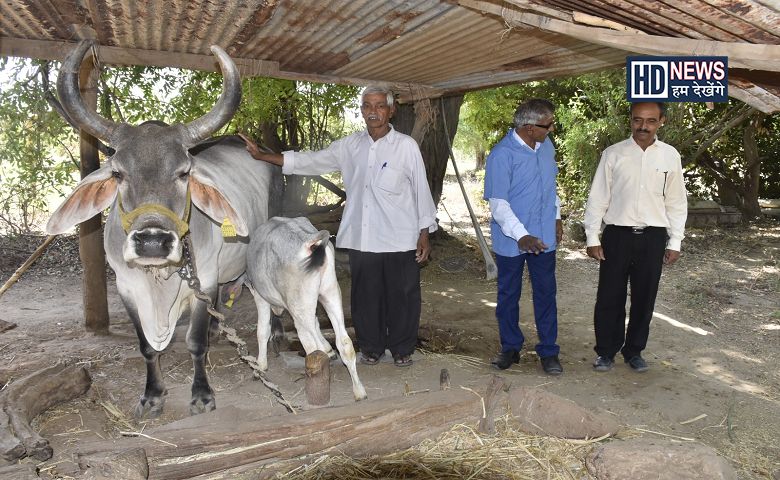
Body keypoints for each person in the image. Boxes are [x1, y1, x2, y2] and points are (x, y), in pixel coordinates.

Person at [240, 86, 438, 368]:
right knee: (365, 298)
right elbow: (310, 160)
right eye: (367, 106)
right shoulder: (349, 146)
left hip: (399, 238)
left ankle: (402, 349)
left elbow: (421, 190)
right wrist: (264, 156)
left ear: (391, 110)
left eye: (380, 106)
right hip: (362, 237)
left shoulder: (406, 146)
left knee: (402, 296)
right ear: (361, 110)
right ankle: (370, 348)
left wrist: (424, 234)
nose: (373, 111)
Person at [583, 101, 688, 373]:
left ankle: (634, 351)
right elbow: (598, 198)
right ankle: (605, 351)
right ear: (630, 120)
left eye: (651, 121)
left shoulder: (670, 156)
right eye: (638, 120)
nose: (643, 126)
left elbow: (676, 202)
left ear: (661, 121)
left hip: (653, 237)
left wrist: (675, 241)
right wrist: (593, 237)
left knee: (645, 297)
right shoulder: (613, 154)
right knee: (609, 296)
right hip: (617, 236)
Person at [483, 98, 563, 375]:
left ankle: (549, 351)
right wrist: (522, 235)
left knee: (545, 294)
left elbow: (550, 187)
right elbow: (498, 205)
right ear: (529, 128)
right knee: (508, 295)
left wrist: (556, 217)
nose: (551, 129)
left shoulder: (546, 147)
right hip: (512, 240)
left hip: (543, 237)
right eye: (547, 124)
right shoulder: (501, 155)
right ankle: (511, 347)